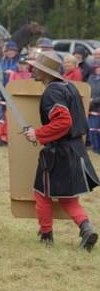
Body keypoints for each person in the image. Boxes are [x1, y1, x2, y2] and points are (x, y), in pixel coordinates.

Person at [23, 51, 99, 250]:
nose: (33, 70)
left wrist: (38, 134)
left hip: (59, 152)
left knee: (42, 194)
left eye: (37, 68)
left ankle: (46, 235)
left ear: (45, 72)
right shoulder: (69, 86)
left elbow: (64, 122)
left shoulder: (52, 92)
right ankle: (86, 228)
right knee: (67, 197)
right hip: (74, 149)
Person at [0, 57, 33, 143]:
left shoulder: (31, 76)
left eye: (24, 64)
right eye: (20, 64)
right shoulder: (14, 74)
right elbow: (10, 87)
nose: (21, 66)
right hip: (14, 102)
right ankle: (5, 137)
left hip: (25, 103)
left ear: (27, 66)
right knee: (8, 119)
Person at [88, 59, 100, 155]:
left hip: (98, 108)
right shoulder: (91, 78)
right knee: (92, 130)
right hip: (91, 109)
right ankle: (95, 148)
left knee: (97, 130)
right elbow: (87, 89)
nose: (98, 69)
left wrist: (93, 100)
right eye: (96, 67)